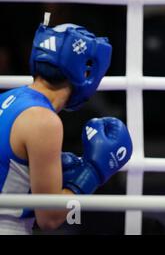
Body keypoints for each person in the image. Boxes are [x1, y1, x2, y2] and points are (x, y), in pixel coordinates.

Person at [0, 14, 133, 234]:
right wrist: (92, 172)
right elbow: (50, 218)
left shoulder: (7, 99)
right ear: (87, 72)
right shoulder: (44, 121)